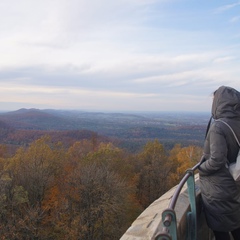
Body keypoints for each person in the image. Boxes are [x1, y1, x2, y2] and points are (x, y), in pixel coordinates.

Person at [199, 86, 240, 240]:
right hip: (234, 183)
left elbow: (216, 160)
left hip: (218, 189)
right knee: (236, 225)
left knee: (221, 231)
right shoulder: (237, 122)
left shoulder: (218, 126)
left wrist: (202, 168)